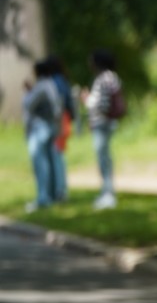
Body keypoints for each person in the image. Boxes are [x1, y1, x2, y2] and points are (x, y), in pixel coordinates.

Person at [81, 49, 122, 210]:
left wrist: (86, 99)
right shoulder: (112, 77)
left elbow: (101, 104)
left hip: (102, 124)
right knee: (105, 158)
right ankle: (107, 191)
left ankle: (108, 194)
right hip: (107, 123)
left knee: (103, 159)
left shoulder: (104, 78)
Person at [22, 60, 63, 213]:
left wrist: (28, 91)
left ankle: (43, 197)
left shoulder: (41, 86)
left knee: (40, 164)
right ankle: (53, 194)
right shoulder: (51, 85)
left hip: (40, 129)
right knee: (50, 163)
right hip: (50, 128)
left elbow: (28, 105)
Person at [46, 56, 76, 202]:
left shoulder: (55, 81)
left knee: (57, 155)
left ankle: (60, 191)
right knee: (58, 154)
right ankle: (58, 190)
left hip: (60, 121)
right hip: (64, 120)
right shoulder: (62, 80)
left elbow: (59, 103)